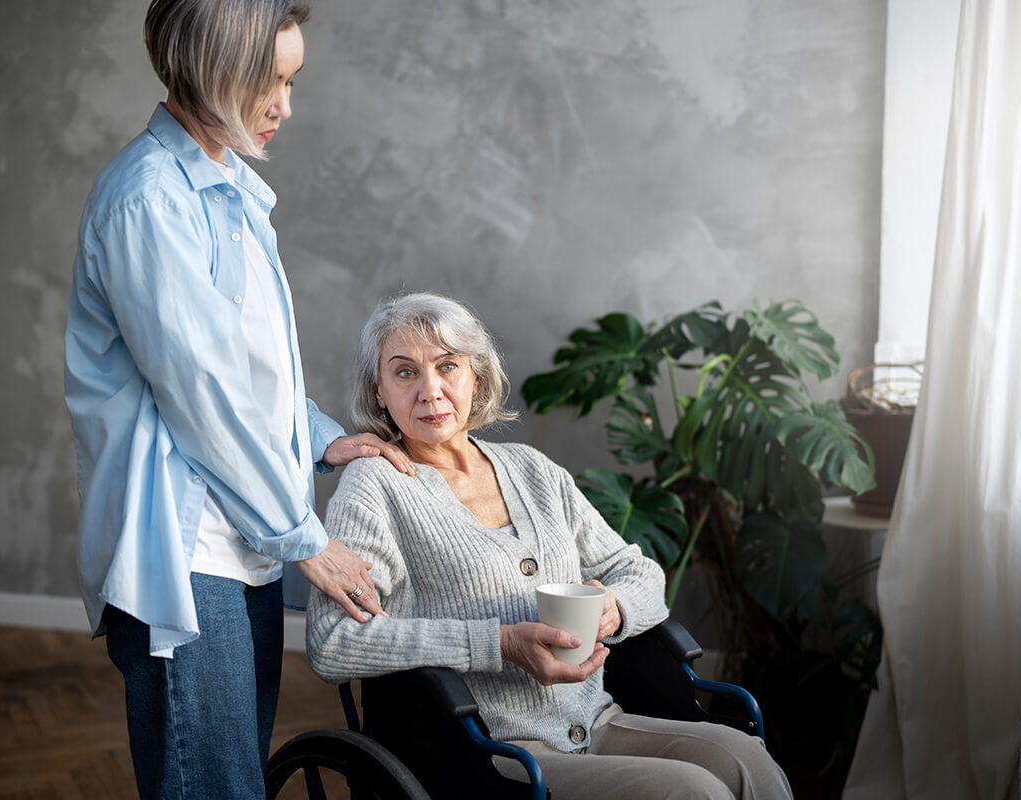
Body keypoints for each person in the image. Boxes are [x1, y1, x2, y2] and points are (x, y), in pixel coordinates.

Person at [63, 2, 413, 798]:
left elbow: (253, 371)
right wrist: (306, 537)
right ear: (216, 69)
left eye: (292, 81)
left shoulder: (227, 187)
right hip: (188, 552)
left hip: (241, 538)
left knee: (232, 780)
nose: (286, 105)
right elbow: (204, 398)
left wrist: (322, 439)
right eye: (273, 81)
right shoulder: (150, 200)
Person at [307, 292, 794, 799]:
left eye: (447, 366)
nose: (430, 391)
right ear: (379, 392)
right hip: (490, 750)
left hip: (600, 722)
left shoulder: (532, 469)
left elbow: (639, 572)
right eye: (405, 372)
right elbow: (335, 641)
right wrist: (498, 642)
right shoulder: (374, 485)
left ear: (476, 376)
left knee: (746, 760)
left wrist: (614, 608)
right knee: (693, 792)